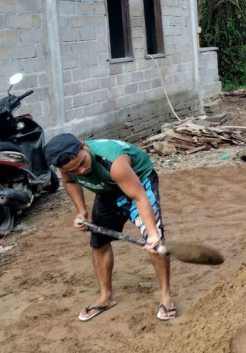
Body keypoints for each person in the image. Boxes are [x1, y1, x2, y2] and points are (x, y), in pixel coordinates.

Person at [43, 134, 175, 322]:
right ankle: (106, 297)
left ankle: (165, 296)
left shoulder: (113, 161)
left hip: (138, 182)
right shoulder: (68, 166)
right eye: (74, 169)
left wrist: (153, 234)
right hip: (107, 189)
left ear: (83, 145)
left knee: (154, 242)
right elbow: (69, 182)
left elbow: (139, 197)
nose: (81, 171)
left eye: (82, 163)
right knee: (99, 242)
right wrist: (81, 212)